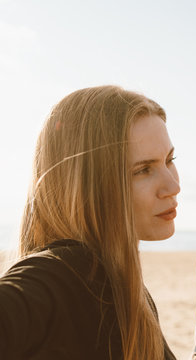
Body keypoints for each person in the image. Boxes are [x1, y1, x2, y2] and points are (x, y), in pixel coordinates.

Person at [0, 86, 180, 359]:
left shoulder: (121, 283)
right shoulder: (63, 273)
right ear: (88, 185)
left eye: (170, 160)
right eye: (143, 170)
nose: (173, 185)